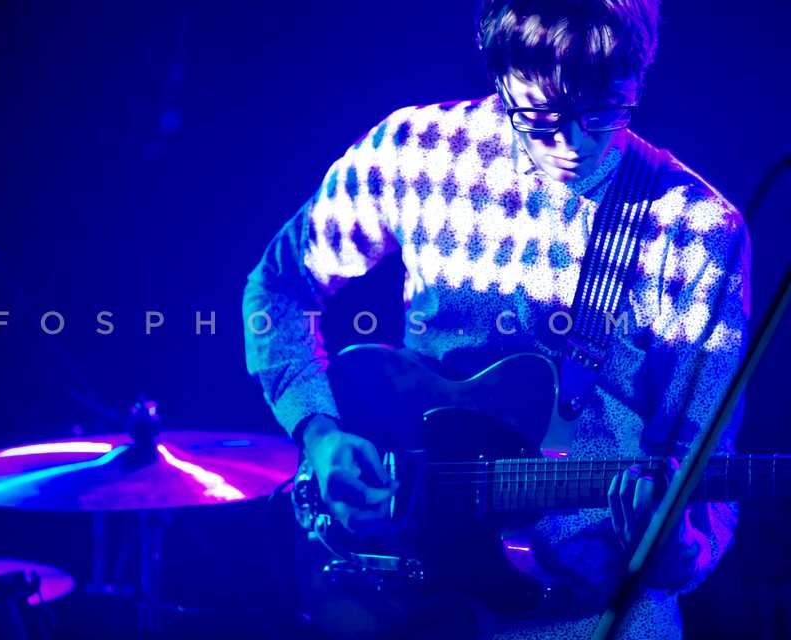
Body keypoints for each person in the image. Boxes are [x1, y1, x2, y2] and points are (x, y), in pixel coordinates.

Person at [243, 0, 750, 637]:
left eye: (604, 111)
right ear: (497, 69)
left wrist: (678, 549)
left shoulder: (697, 231)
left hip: (599, 616)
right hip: (403, 596)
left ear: (640, 76)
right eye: (540, 116)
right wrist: (320, 434)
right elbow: (279, 288)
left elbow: (704, 469)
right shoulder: (416, 154)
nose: (573, 143)